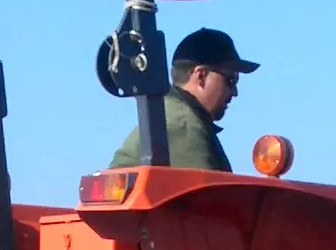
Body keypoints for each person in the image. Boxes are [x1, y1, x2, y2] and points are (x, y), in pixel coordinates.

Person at [107, 28, 259, 171]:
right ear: (201, 76)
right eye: (231, 80)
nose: (235, 92)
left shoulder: (167, 115)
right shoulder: (184, 126)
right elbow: (210, 197)